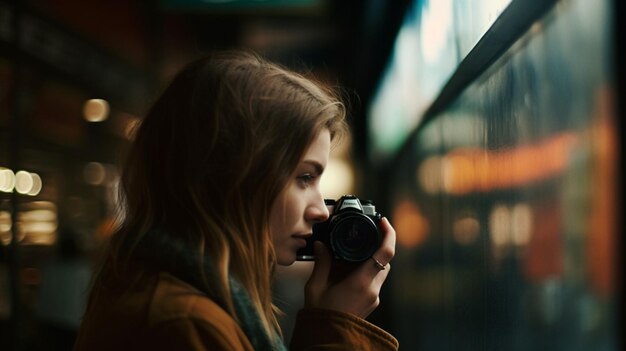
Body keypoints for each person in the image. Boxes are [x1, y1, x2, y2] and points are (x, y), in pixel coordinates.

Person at [73, 50, 398, 351]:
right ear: (234, 173)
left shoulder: (176, 298)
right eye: (304, 177)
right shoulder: (184, 324)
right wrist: (336, 330)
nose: (319, 210)